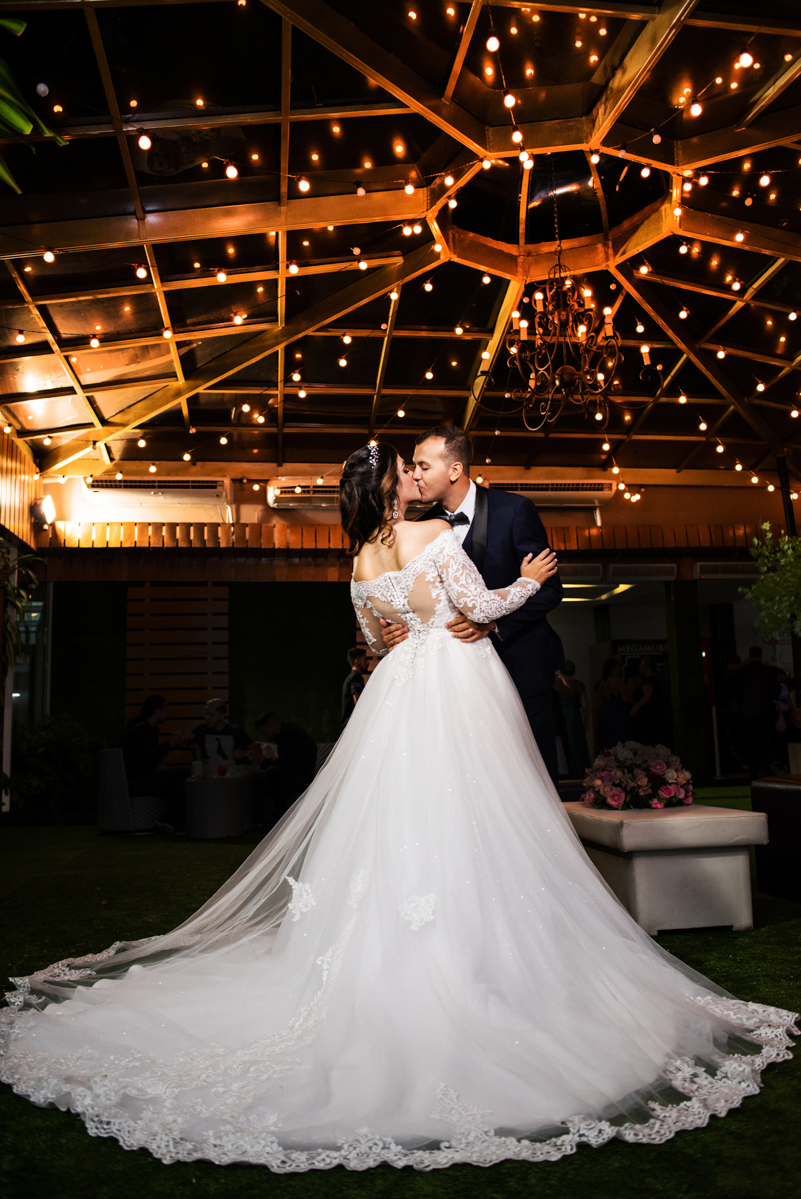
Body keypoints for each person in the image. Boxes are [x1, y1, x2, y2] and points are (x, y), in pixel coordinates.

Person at [1, 441, 795, 1173]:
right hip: (454, 692)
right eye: (404, 472)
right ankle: (477, 960)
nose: (416, 477)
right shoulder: (432, 541)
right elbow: (479, 613)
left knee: (397, 835)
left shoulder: (357, 560)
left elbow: (377, 644)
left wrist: (417, 634)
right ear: (390, 489)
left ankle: (398, 956)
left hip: (396, 702)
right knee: (474, 825)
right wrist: (532, 579)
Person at [380, 425, 564, 787]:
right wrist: (395, 629)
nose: (415, 474)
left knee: (533, 774)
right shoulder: (418, 526)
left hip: (519, 662)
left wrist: (492, 624)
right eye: (412, 467)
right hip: (456, 677)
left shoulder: (514, 510)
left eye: (423, 466)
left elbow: (550, 589)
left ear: (454, 470)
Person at [121, 694, 188, 830]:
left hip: (136, 779)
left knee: (176, 778)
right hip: (137, 782)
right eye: (165, 709)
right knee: (183, 773)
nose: (166, 713)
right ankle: (172, 821)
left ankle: (169, 819)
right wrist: (172, 741)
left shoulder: (141, 728)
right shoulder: (143, 729)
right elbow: (152, 754)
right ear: (157, 711)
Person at [248, 711, 318, 827]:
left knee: (272, 773)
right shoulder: (290, 733)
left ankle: (276, 814)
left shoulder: (289, 735)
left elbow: (286, 761)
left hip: (300, 779)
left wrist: (263, 761)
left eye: (266, 734)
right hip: (301, 775)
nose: (267, 737)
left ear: (273, 727)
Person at [731, 647, 782, 779]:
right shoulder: (768, 672)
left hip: (747, 712)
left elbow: (735, 691)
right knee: (767, 739)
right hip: (765, 711)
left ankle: (754, 768)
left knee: (751, 741)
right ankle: (767, 766)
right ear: (760, 655)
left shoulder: (742, 672)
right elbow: (776, 690)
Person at [188, 698, 252, 768]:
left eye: (212, 715)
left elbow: (256, 749)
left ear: (222, 716)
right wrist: (185, 736)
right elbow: (184, 741)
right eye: (206, 714)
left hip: (232, 774)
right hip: (209, 775)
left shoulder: (235, 731)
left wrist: (244, 754)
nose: (207, 718)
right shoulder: (201, 729)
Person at [554, 661, 590, 777]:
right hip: (574, 715)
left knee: (569, 743)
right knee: (577, 743)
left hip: (564, 715)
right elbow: (585, 705)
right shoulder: (577, 684)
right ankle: (580, 770)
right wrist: (586, 721)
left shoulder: (558, 684)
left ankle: (570, 770)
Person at [595, 657, 631, 750]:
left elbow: (599, 700)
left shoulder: (602, 682)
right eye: (618, 668)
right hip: (617, 711)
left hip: (605, 712)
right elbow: (625, 698)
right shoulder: (619, 681)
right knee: (619, 740)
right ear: (613, 669)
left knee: (607, 739)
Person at [341, 646, 371, 729]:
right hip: (352, 726)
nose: (368, 663)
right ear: (357, 661)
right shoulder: (355, 678)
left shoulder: (351, 677)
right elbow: (357, 702)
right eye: (365, 659)